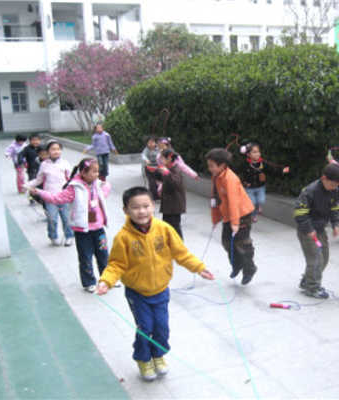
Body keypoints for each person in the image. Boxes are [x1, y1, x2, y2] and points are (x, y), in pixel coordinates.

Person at [95, 187, 215, 381]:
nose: (141, 211)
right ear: (125, 210)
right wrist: (105, 281)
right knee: (145, 327)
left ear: (153, 206)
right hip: (137, 292)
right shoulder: (123, 237)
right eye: (135, 207)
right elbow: (116, 264)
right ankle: (143, 359)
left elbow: (181, 253)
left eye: (146, 206)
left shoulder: (164, 229)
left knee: (161, 327)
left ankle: (158, 355)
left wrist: (199, 268)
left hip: (161, 290)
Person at [29, 158, 112, 293]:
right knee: (85, 257)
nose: (97, 174)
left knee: (103, 254)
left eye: (98, 171)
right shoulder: (74, 187)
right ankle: (89, 282)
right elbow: (57, 198)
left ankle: (107, 279)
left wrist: (107, 185)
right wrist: (40, 192)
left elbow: (104, 194)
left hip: (98, 227)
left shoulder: (97, 184)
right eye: (94, 171)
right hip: (82, 229)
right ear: (83, 173)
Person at [206, 148, 258, 285]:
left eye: (211, 166)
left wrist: (235, 222)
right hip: (229, 216)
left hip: (242, 215)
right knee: (227, 242)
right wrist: (215, 219)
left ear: (222, 166)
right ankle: (236, 265)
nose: (209, 168)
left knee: (242, 243)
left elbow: (234, 202)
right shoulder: (216, 178)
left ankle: (249, 268)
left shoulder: (230, 179)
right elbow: (215, 199)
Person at [294, 163, 339, 299]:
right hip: (307, 232)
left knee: (324, 257)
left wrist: (335, 223)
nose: (334, 188)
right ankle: (312, 287)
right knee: (316, 258)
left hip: (320, 230)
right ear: (324, 178)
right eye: (332, 185)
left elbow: (334, 207)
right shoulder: (310, 191)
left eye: (337, 186)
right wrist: (308, 229)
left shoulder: (333, 191)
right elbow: (299, 212)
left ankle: (307, 280)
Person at [26, 140, 75, 247]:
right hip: (49, 196)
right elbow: (38, 180)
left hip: (63, 196)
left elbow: (73, 178)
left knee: (66, 217)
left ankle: (69, 236)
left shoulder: (65, 163)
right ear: (48, 151)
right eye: (53, 149)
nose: (56, 151)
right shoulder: (44, 164)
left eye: (58, 149)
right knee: (52, 218)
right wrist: (28, 185)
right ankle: (53, 237)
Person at [236, 142, 289, 223]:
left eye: (258, 152)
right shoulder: (245, 164)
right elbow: (236, 170)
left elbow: (272, 171)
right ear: (248, 154)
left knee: (261, 200)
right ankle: (253, 215)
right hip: (249, 187)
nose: (257, 154)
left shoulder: (262, 164)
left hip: (260, 187)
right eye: (254, 152)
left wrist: (282, 171)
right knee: (252, 202)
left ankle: (257, 207)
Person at [147, 149, 186, 239]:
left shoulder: (176, 170)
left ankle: (179, 245)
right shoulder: (168, 169)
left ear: (169, 159)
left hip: (175, 206)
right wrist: (154, 172)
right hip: (168, 205)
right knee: (167, 225)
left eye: (162, 158)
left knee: (175, 227)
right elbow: (163, 179)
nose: (161, 161)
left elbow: (175, 182)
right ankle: (170, 243)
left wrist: (166, 173)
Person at [141, 135, 160, 201]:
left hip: (158, 168)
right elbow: (143, 155)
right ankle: (153, 197)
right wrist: (146, 160)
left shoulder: (159, 149)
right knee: (152, 182)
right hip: (149, 168)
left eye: (152, 142)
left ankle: (159, 196)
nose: (151, 144)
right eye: (149, 142)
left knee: (158, 182)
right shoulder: (146, 150)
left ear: (156, 143)